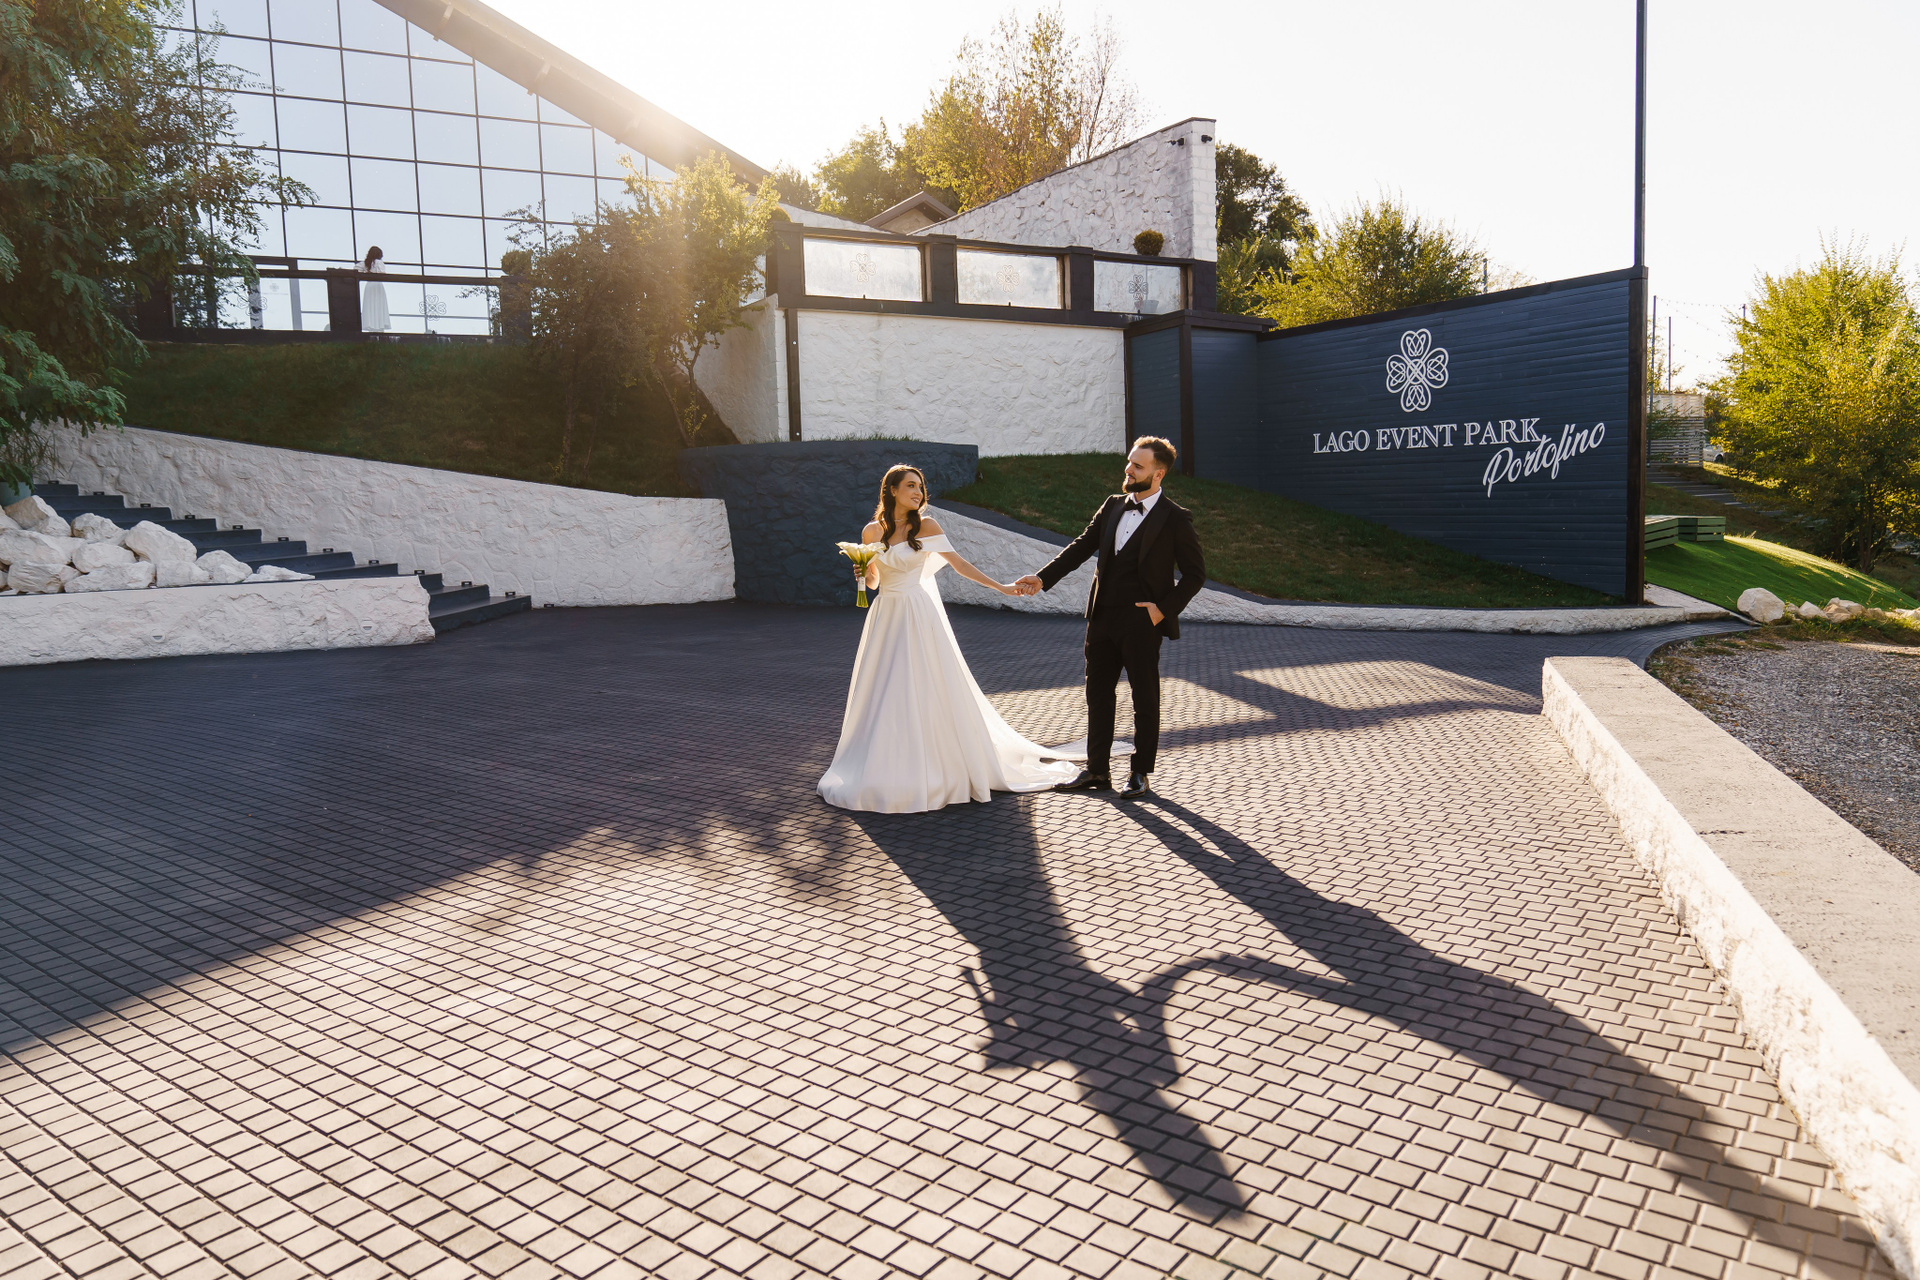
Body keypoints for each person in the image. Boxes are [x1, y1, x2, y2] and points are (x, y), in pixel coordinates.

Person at [819, 465, 1080, 813]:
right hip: (885, 615)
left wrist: (1001, 587)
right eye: (910, 486)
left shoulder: (926, 526)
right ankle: (885, 765)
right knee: (885, 687)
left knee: (924, 684)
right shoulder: (871, 531)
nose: (918, 492)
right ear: (892, 490)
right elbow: (874, 583)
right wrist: (862, 571)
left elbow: (960, 565)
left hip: (917, 613)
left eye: (920, 487)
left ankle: (935, 765)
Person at [1015, 436, 1206, 801]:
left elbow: (1196, 574)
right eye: (1129, 462)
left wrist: (1162, 609)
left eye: (1138, 466)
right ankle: (1097, 770)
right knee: (1098, 695)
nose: (1128, 470)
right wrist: (1042, 578)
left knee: (1144, 697)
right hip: (1101, 617)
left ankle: (1140, 772)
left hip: (1142, 622)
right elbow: (1081, 547)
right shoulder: (1112, 505)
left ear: (1158, 473)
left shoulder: (1175, 518)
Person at [360, 246, 390, 334]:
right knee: (378, 307)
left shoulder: (365, 263)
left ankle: (371, 327)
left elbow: (356, 269)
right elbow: (382, 273)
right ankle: (379, 327)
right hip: (377, 285)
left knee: (370, 307)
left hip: (369, 285)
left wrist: (367, 272)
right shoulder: (378, 262)